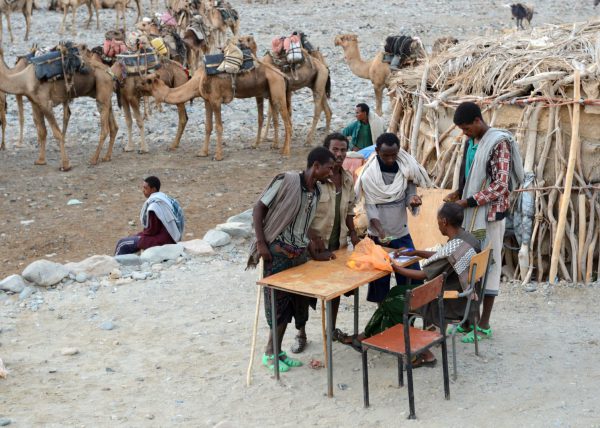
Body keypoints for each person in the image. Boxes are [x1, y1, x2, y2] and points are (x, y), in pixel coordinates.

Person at [360, 202, 481, 367]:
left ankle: (422, 353)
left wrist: (393, 266)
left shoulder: (453, 248)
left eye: (438, 221)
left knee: (393, 302)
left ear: (444, 221)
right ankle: (370, 335)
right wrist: (416, 252)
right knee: (395, 291)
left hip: (447, 301)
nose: (438, 225)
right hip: (465, 298)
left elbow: (422, 274)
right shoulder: (467, 238)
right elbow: (442, 255)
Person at [247, 147, 335, 372]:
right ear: (316, 166)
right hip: (275, 253)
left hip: (296, 255)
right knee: (276, 306)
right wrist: (261, 243)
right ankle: (269, 354)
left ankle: (276, 351)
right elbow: (259, 209)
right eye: (329, 168)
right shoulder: (286, 181)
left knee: (289, 306)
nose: (331, 173)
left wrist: (315, 254)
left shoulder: (316, 191)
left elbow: (303, 228)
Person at [444, 102, 524, 344]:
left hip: (489, 216)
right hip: (472, 213)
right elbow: (471, 175)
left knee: (488, 266)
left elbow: (500, 186)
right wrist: (459, 192)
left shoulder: (498, 143)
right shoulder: (472, 141)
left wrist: (467, 202)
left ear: (478, 121)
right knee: (469, 266)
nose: (465, 133)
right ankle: (468, 321)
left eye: (467, 128)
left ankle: (484, 324)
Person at [355, 132, 431, 305]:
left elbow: (410, 193)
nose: (390, 159)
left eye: (393, 155)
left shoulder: (407, 169)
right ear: (376, 151)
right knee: (380, 281)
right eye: (385, 155)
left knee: (411, 279)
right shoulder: (369, 176)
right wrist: (381, 232)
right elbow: (371, 208)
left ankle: (409, 312)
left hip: (401, 233)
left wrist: (413, 200)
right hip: (378, 237)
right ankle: (385, 315)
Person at [308, 133, 361, 344]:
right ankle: (301, 333)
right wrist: (311, 238)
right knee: (305, 292)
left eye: (343, 150)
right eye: (335, 150)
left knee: (335, 290)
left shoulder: (348, 179)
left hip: (337, 244)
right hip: (314, 245)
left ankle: (330, 330)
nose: (339, 154)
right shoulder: (316, 179)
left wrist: (354, 234)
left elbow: (349, 210)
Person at [114, 176, 184, 255]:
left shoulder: (154, 207)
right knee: (132, 239)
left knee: (122, 243)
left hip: (162, 240)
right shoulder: (164, 198)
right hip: (171, 236)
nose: (143, 191)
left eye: (145, 188)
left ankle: (115, 265)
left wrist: (138, 235)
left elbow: (152, 231)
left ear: (153, 189)